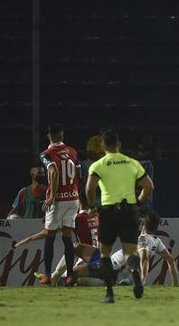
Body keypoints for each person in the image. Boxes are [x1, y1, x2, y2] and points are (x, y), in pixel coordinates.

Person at [86, 128, 154, 303]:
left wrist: (93, 206)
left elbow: (89, 188)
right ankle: (135, 273)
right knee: (130, 252)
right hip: (129, 210)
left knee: (104, 254)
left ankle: (110, 294)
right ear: (119, 144)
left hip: (108, 211)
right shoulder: (132, 163)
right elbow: (149, 187)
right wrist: (138, 203)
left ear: (102, 146)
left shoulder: (98, 165)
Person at [38, 124, 81, 287]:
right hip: (73, 198)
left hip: (58, 201)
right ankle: (70, 275)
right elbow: (78, 174)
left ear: (49, 136)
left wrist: (51, 197)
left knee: (50, 236)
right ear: (62, 135)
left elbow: (54, 173)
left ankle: (48, 275)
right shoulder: (72, 151)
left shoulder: (46, 154)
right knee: (67, 236)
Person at [138, 211, 179, 286]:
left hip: (119, 265)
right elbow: (170, 260)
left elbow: (144, 258)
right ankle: (176, 284)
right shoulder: (156, 240)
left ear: (144, 224)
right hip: (120, 265)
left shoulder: (143, 238)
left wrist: (142, 280)